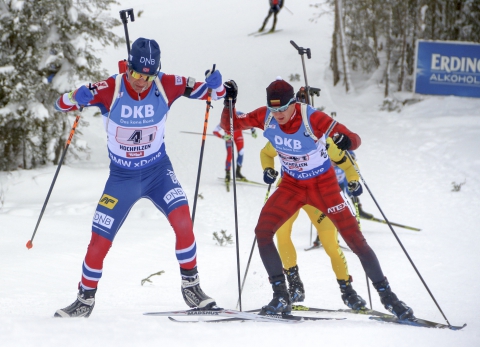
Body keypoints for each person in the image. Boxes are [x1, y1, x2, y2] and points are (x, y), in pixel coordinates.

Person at [53, 37, 225, 317]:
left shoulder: (168, 83)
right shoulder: (110, 88)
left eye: (149, 75)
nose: (142, 82)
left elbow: (213, 95)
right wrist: (75, 97)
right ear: (127, 67)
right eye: (136, 74)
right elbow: (61, 104)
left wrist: (216, 84)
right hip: (122, 178)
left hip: (158, 172)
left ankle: (191, 287)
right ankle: (84, 300)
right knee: (99, 240)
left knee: (184, 221)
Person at [220, 77, 415, 320]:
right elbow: (230, 126)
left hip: (323, 186)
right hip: (291, 185)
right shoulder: (265, 116)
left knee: (355, 239)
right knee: (263, 231)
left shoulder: (312, 117)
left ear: (293, 103)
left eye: (282, 109)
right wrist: (229, 101)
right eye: (274, 109)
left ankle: (389, 298)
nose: (278, 114)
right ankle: (281, 295)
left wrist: (347, 141)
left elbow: (354, 138)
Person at [261, 140, 367, 310]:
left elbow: (350, 164)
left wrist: (354, 181)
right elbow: (265, 153)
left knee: (331, 244)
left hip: (318, 194)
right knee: (281, 235)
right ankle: (295, 285)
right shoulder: (281, 136)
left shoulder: (324, 139)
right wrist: (268, 169)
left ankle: (348, 291)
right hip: (289, 192)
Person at [213, 116, 257, 183]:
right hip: (229, 136)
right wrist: (222, 136)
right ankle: (227, 173)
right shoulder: (225, 118)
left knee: (241, 152)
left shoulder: (240, 115)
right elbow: (215, 131)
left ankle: (238, 172)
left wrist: (253, 131)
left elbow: (249, 121)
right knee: (230, 154)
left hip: (238, 135)